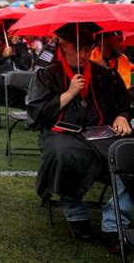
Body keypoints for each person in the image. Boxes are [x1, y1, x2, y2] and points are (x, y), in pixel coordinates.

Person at [26, 23, 133, 254]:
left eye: (88, 48)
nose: (83, 54)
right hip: (63, 135)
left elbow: (124, 105)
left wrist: (123, 117)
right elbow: (36, 115)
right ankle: (76, 212)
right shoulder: (47, 75)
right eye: (78, 48)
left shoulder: (105, 74)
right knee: (65, 155)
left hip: (100, 134)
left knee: (128, 155)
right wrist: (69, 93)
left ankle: (114, 223)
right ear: (64, 46)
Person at [0, 20, 31, 129]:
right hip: (0, 79)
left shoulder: (22, 46)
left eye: (16, 31)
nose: (15, 35)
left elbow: (26, 66)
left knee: (32, 81)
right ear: (4, 33)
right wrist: (2, 56)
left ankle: (30, 117)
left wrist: (14, 55)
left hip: (19, 78)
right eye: (11, 32)